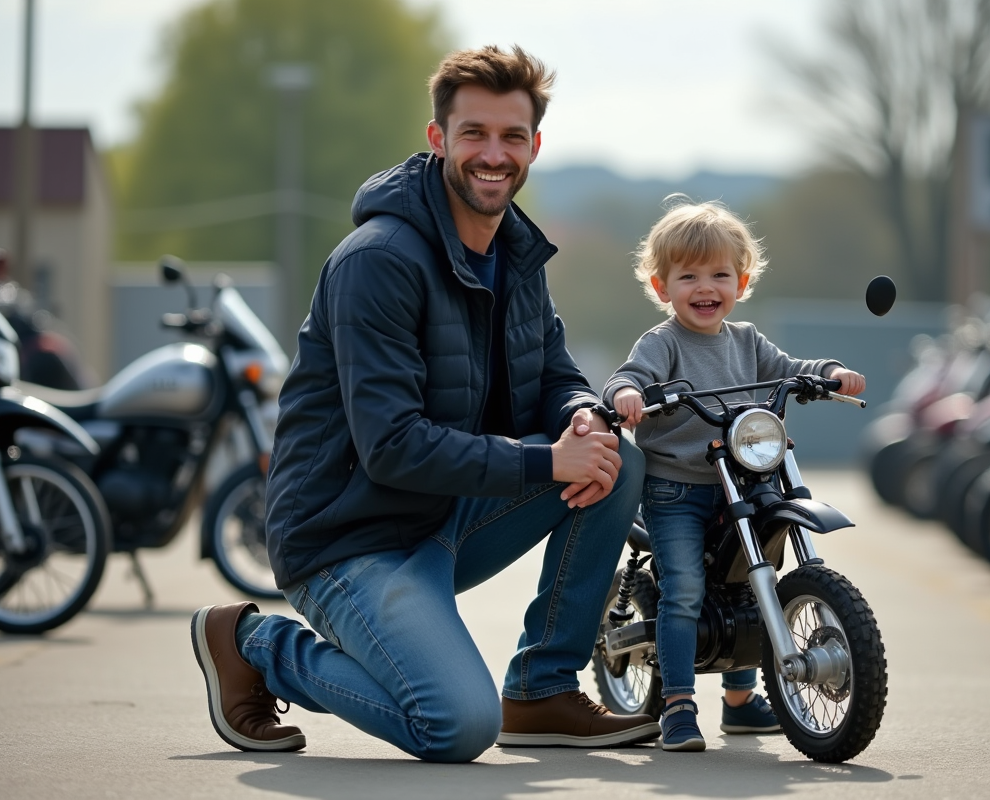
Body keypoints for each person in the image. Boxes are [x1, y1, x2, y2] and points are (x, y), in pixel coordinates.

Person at [189, 45, 661, 763]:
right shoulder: (377, 261)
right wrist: (547, 462)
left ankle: (541, 689)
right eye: (475, 134)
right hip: (348, 538)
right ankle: (256, 645)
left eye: (511, 136)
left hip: (444, 514)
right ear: (438, 138)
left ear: (534, 147)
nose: (493, 154)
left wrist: (581, 416)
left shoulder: (517, 255)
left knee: (612, 458)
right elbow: (392, 446)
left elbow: (553, 374)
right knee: (456, 725)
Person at [603, 198, 865, 752]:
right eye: (688, 276)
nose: (705, 287)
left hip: (744, 481)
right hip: (676, 489)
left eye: (720, 275)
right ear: (662, 287)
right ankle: (677, 704)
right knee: (684, 590)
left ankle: (741, 702)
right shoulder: (662, 343)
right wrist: (626, 394)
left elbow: (788, 369)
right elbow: (630, 376)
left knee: (748, 584)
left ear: (741, 283)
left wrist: (828, 373)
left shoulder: (746, 340)